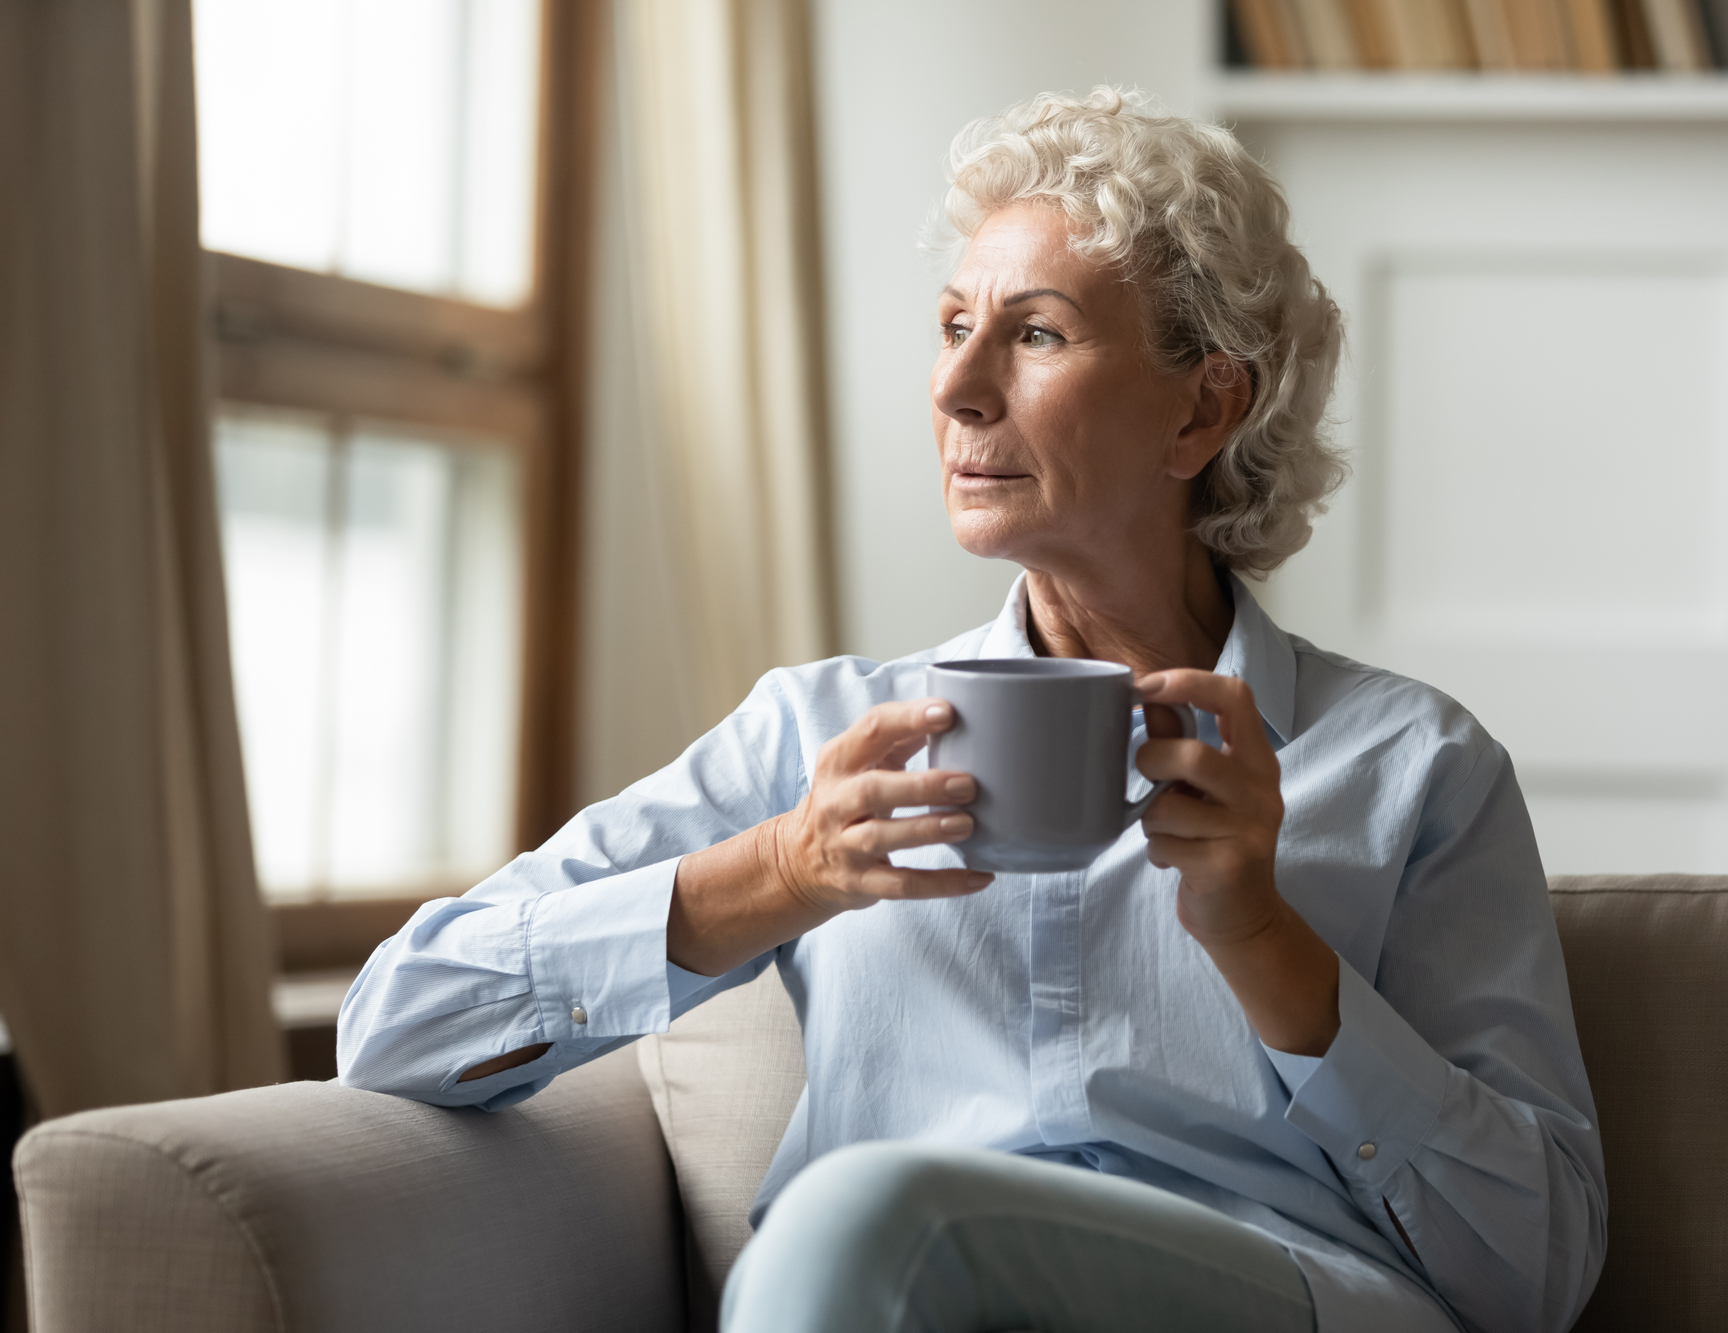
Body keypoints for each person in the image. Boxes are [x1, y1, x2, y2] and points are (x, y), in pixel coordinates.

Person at [338, 88, 1606, 1333]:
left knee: (862, 1218)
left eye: (1035, 333)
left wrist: (1264, 935)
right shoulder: (821, 737)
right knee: (872, 1229)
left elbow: (1530, 1273)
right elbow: (398, 1022)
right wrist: (782, 868)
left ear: (1205, 405)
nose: (954, 387)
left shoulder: (1409, 764)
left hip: (1264, 1289)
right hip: (890, 1302)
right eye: (951, 324)